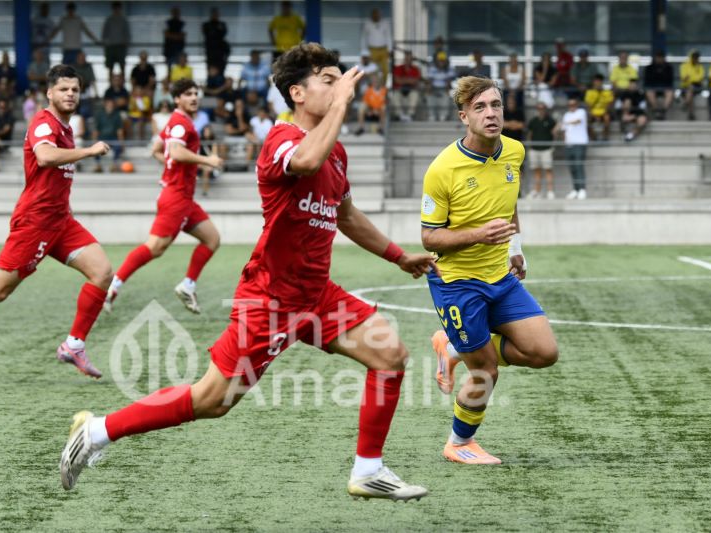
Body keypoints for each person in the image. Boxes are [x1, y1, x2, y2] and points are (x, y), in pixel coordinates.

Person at [60, 43, 434, 503]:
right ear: (298, 92)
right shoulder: (282, 140)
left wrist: (400, 257)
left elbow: (347, 214)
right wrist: (340, 105)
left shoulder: (336, 153)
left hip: (317, 295)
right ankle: (97, 430)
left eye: (341, 81)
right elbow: (306, 162)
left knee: (391, 355)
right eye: (330, 81)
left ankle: (369, 470)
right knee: (212, 400)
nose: (341, 90)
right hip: (271, 298)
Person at [0, 65, 114, 381]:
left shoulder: (66, 128)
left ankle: (74, 345)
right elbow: (44, 156)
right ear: (49, 93)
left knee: (103, 272)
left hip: (61, 221)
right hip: (35, 222)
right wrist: (88, 151)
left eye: (75, 90)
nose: (70, 94)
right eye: (64, 89)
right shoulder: (43, 123)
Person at [420, 76, 558, 466]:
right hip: (457, 283)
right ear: (464, 116)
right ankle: (459, 443)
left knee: (544, 352)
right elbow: (430, 239)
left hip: (499, 276)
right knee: (486, 370)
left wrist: (515, 247)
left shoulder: (514, 151)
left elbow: (509, 203)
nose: (491, 113)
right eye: (480, 107)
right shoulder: (442, 169)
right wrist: (479, 234)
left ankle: (452, 347)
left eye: (495, 105)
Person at [104, 79, 223, 315]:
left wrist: (169, 164)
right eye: (187, 94)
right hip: (176, 197)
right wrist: (207, 160)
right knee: (155, 247)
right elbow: (177, 153)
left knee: (212, 239)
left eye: (195, 93)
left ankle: (188, 286)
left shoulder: (174, 123)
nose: (194, 98)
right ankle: (111, 287)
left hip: (184, 198)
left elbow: (158, 150)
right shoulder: (180, 124)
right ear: (177, 99)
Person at [50, 2, 99, 66]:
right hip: (66, 49)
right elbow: (55, 31)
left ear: (74, 10)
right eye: (69, 9)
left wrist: (95, 40)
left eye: (71, 9)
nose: (70, 11)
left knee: (76, 69)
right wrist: (47, 40)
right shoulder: (63, 20)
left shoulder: (78, 19)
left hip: (76, 49)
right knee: (66, 70)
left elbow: (87, 31)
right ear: (67, 10)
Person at [559, 97, 589, 199]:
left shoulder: (581, 112)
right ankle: (575, 189)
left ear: (577, 105)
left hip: (579, 143)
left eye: (573, 105)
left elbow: (577, 121)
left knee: (579, 166)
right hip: (569, 144)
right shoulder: (566, 115)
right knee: (572, 168)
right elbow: (563, 130)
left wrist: (564, 123)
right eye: (570, 105)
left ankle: (582, 189)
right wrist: (565, 142)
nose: (571, 107)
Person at [526, 101, 557, 199]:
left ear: (545, 109)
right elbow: (529, 134)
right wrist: (530, 147)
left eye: (542, 108)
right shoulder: (533, 121)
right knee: (537, 171)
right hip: (535, 149)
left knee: (548, 170)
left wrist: (553, 146)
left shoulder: (550, 120)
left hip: (546, 149)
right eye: (539, 108)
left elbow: (555, 133)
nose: (541, 110)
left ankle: (550, 191)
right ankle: (537, 191)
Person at [359, 8, 392, 85]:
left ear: (380, 15)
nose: (376, 16)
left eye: (378, 15)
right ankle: (373, 87)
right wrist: (364, 52)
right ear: (372, 16)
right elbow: (364, 38)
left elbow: (388, 36)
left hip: (383, 49)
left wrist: (389, 50)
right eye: (374, 15)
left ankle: (383, 87)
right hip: (372, 50)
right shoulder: (367, 24)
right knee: (372, 70)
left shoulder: (385, 23)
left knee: (385, 70)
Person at [92, 97, 124, 172]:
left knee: (118, 147)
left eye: (112, 105)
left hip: (113, 138)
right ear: (105, 105)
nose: (110, 106)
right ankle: (98, 165)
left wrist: (121, 142)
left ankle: (114, 165)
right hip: (102, 137)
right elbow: (96, 129)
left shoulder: (117, 115)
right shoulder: (99, 114)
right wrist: (94, 141)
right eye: (108, 105)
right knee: (95, 148)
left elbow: (119, 130)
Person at [101, 1, 130, 80]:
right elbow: (104, 34)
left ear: (120, 9)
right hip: (110, 47)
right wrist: (106, 43)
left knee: (122, 67)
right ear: (113, 9)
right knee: (110, 68)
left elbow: (127, 34)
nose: (116, 10)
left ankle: (122, 85)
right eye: (115, 8)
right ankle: (110, 85)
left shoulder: (123, 20)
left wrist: (126, 43)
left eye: (118, 8)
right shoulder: (109, 20)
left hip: (121, 47)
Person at [391, 50, 421, 121]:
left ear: (412, 59)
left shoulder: (416, 69)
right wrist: (409, 80)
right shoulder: (398, 68)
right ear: (404, 59)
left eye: (409, 59)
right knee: (395, 95)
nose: (408, 60)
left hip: (411, 90)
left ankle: (410, 115)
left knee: (415, 95)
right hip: (400, 90)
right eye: (406, 58)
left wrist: (403, 80)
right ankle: (400, 115)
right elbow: (397, 81)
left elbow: (415, 81)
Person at [643, 50, 674, 120]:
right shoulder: (649, 68)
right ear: (655, 58)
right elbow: (648, 80)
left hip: (665, 87)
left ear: (663, 58)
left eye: (661, 57)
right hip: (653, 87)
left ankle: (663, 111)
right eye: (658, 57)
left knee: (670, 92)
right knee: (649, 92)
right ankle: (656, 110)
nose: (659, 59)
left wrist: (660, 73)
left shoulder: (668, 67)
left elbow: (669, 80)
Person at [426, 51, 454, 122]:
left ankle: (443, 116)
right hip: (433, 88)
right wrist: (429, 89)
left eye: (443, 60)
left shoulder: (449, 69)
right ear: (437, 61)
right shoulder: (432, 68)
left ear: (445, 61)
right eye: (440, 60)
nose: (441, 62)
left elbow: (449, 81)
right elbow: (430, 81)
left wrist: (447, 84)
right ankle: (432, 116)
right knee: (429, 96)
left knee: (446, 96)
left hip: (444, 89)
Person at [584, 74, 614, 140]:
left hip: (604, 112)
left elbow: (610, 104)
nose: (598, 83)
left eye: (599, 81)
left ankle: (605, 137)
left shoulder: (607, 92)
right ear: (593, 82)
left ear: (602, 82)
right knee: (586, 122)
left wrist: (603, 114)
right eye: (596, 81)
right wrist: (594, 115)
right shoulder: (589, 92)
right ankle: (593, 137)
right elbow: (588, 106)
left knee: (607, 119)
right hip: (593, 112)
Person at [202, 7, 230, 74]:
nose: (215, 16)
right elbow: (208, 35)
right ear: (211, 15)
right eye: (214, 14)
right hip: (210, 52)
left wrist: (214, 31)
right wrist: (217, 30)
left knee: (221, 71)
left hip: (220, 52)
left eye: (216, 14)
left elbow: (223, 34)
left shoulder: (222, 24)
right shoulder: (206, 25)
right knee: (211, 72)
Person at [680, 50, 705, 120]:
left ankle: (686, 103)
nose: (695, 59)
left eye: (697, 57)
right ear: (691, 57)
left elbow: (700, 79)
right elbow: (684, 78)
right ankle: (691, 114)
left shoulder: (700, 66)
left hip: (696, 86)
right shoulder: (684, 65)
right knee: (690, 90)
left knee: (691, 89)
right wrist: (692, 78)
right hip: (686, 86)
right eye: (694, 57)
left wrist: (690, 78)